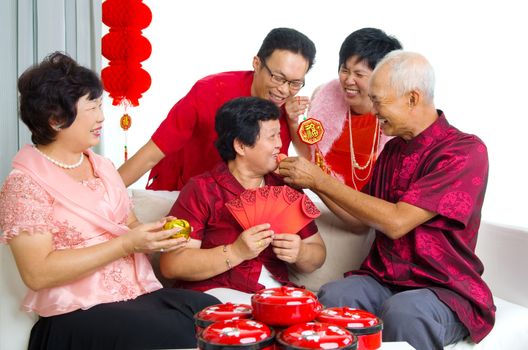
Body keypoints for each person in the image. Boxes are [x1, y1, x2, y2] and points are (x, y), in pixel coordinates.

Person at [0, 52, 219, 350]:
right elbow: (37, 274)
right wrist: (128, 244)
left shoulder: (102, 166)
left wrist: (155, 235)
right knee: (178, 334)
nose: (101, 117)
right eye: (91, 108)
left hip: (135, 295)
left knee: (216, 312)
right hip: (74, 314)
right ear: (56, 119)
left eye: (100, 105)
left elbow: (129, 226)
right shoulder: (24, 183)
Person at [278, 51, 495, 349]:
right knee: (334, 296)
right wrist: (313, 185)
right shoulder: (393, 151)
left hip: (443, 286)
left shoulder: (464, 151)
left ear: (412, 98)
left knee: (406, 313)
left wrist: (320, 179)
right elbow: (359, 218)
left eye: (379, 100)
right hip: (383, 279)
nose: (373, 110)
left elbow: (396, 222)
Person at [159, 97, 326, 304]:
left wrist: (301, 252)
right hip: (217, 294)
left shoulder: (287, 187)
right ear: (240, 146)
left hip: (276, 296)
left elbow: (318, 254)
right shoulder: (201, 189)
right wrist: (236, 252)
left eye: (279, 135)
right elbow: (171, 264)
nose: (280, 144)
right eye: (272, 136)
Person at [118, 27, 316, 190]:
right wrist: (103, 196)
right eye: (278, 78)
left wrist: (292, 122)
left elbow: (304, 164)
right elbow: (153, 152)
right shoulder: (209, 90)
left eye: (295, 83)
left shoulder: (287, 109)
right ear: (256, 64)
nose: (283, 90)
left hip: (241, 204)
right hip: (184, 191)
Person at [307, 28, 401, 190]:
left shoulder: (397, 115)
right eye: (345, 70)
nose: (349, 80)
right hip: (324, 194)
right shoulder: (323, 98)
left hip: (374, 200)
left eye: (359, 74)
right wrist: (293, 121)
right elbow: (310, 153)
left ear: (382, 77)